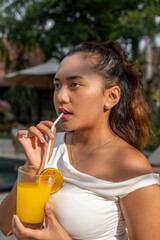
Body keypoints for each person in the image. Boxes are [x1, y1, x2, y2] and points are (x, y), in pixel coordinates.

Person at [0, 40, 160, 240]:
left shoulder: (131, 166)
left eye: (74, 84)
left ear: (111, 96)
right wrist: (31, 169)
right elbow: (6, 226)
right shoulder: (47, 147)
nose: (61, 97)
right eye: (57, 85)